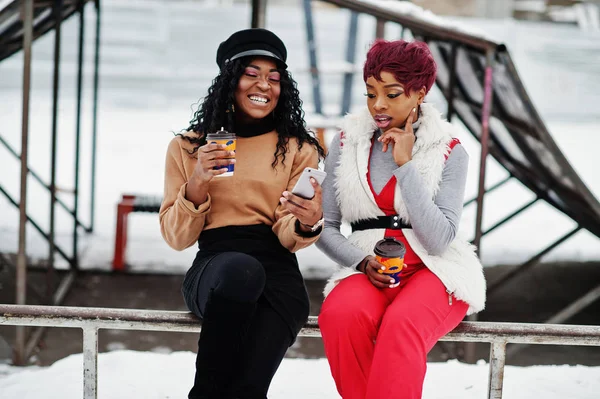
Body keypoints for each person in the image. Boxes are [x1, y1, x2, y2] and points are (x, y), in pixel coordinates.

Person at [159, 28, 326, 399]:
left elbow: (288, 234)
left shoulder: (297, 147)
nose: (264, 84)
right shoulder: (189, 146)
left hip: (278, 275)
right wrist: (199, 179)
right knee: (241, 270)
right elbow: (176, 237)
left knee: (247, 391)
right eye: (252, 73)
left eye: (274, 77)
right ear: (230, 80)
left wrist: (307, 219)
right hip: (216, 270)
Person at [316, 39, 486, 399]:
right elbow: (325, 229)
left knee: (402, 324)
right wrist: (362, 263)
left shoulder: (449, 150)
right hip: (369, 265)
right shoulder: (347, 144)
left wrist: (405, 165)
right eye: (370, 93)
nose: (378, 105)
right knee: (340, 315)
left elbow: (439, 239)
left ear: (420, 93)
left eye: (392, 94)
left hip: (437, 269)